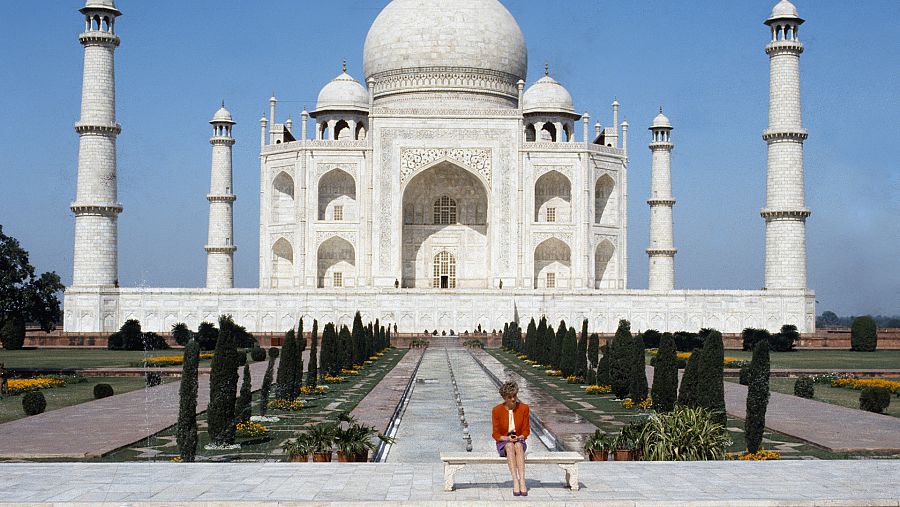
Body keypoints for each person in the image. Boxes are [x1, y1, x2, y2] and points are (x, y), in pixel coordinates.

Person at [492, 380, 530, 496]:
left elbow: (526, 430)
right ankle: (515, 481)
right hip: (504, 441)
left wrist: (520, 437)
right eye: (510, 397)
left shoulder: (524, 408)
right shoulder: (497, 410)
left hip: (519, 439)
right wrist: (507, 439)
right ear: (504, 397)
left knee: (518, 446)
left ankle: (522, 480)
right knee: (509, 446)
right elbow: (496, 434)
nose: (513, 399)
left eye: (514, 396)